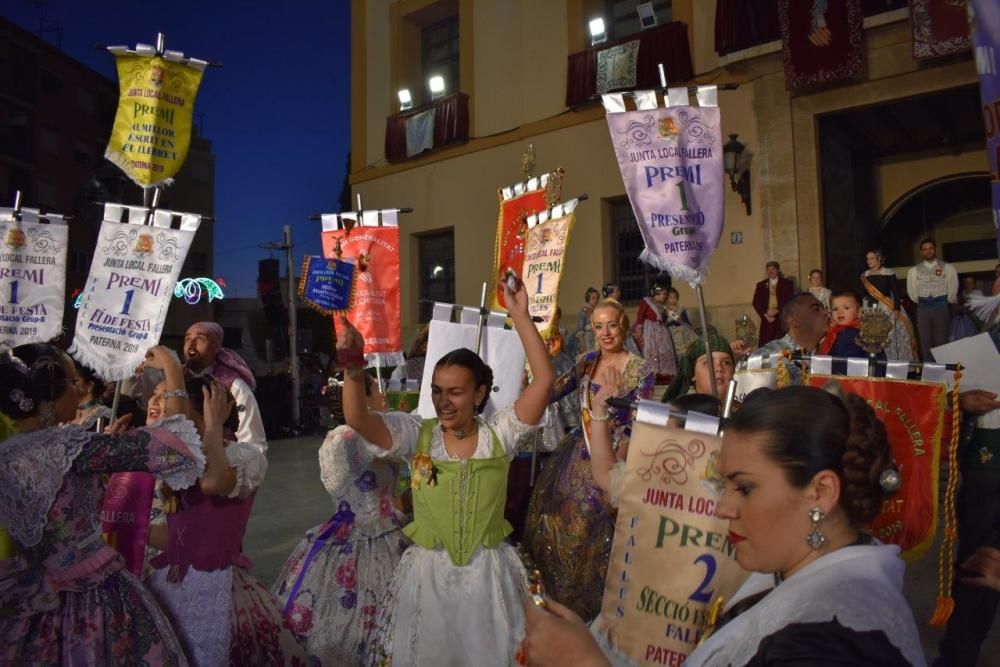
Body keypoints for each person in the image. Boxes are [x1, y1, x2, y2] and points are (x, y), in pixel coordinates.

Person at [521, 386, 926, 666]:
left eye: (743, 488)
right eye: (722, 485)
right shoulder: (788, 578)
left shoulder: (837, 642)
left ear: (820, 492)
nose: (724, 508)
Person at [337, 280, 553, 666]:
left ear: (480, 394)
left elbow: (545, 382)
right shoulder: (416, 435)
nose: (443, 401)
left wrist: (519, 314)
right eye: (437, 391)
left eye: (455, 392)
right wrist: (353, 368)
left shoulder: (500, 435)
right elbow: (357, 417)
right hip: (429, 576)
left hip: (487, 576)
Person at [0, 344, 206, 664]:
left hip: (23, 606)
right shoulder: (67, 446)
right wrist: (173, 370)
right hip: (87, 598)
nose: (78, 389)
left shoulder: (10, 452)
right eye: (72, 382)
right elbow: (175, 447)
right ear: (48, 395)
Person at [145, 376, 306, 666]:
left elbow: (212, 482)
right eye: (155, 395)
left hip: (218, 590)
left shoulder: (243, 455)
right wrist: (134, 531)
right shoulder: (175, 465)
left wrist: (214, 426)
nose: (155, 403)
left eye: (166, 396)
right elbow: (181, 536)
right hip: (172, 585)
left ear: (203, 409)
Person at [523, 298, 654, 621]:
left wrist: (619, 469)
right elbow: (552, 392)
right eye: (598, 326)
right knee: (560, 530)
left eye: (611, 324)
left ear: (623, 325)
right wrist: (535, 367)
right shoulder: (587, 361)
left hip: (615, 458)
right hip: (574, 459)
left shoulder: (640, 369)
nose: (605, 332)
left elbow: (640, 422)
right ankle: (560, 611)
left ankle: (598, 615)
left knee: (598, 538)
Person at [272, 374, 408, 665]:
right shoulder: (357, 439)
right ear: (360, 400)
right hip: (377, 535)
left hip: (345, 528)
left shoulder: (334, 436)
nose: (384, 398)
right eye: (376, 392)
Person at [935, 324, 1000, 666]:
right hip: (987, 468)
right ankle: (957, 656)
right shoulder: (984, 339)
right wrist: (958, 400)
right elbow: (934, 394)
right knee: (978, 564)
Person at [184, 321, 268, 453]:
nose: (191, 344)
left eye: (200, 338)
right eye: (188, 338)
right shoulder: (177, 379)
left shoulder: (233, 384)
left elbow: (252, 442)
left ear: (217, 346)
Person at [861, 249, 918, 362]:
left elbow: (896, 292)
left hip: (886, 308)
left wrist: (896, 309)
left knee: (889, 337)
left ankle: (893, 364)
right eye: (867, 259)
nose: (869, 261)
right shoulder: (865, 275)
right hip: (870, 309)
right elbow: (863, 294)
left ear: (879, 259)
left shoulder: (888, 272)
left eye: (872, 258)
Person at [906, 239, 958, 360]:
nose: (928, 251)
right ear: (921, 252)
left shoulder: (947, 267)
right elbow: (912, 291)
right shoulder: (914, 270)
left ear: (935, 249)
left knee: (942, 339)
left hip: (941, 306)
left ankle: (943, 370)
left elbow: (952, 286)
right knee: (925, 340)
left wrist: (947, 300)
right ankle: (929, 372)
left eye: (930, 248)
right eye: (925, 249)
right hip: (923, 308)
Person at [660, 330, 735, 403]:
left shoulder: (742, 412)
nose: (719, 368)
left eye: (726, 362)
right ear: (693, 373)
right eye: (708, 363)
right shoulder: (683, 413)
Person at [632, 276, 678, 382]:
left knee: (664, 350)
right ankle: (653, 373)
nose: (665, 297)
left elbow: (667, 318)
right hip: (650, 330)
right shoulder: (646, 302)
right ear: (656, 293)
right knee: (652, 351)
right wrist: (639, 330)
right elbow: (640, 316)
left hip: (661, 330)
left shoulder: (663, 306)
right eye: (664, 294)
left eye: (666, 294)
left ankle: (664, 373)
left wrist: (673, 315)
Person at [752, 261, 794, 346]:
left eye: (773, 269)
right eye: (768, 270)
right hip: (767, 319)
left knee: (783, 344)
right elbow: (756, 302)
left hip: (782, 318)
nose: (770, 272)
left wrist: (778, 310)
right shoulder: (761, 285)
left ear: (778, 270)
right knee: (766, 344)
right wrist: (765, 314)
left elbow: (790, 300)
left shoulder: (787, 283)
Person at [72, 363, 112, 430]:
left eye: (75, 381)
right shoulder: (67, 413)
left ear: (90, 386)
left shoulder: (103, 415)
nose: (70, 385)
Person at [664, 287, 698, 355]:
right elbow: (674, 319)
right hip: (671, 333)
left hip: (683, 331)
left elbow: (685, 320)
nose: (673, 300)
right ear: (667, 299)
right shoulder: (665, 309)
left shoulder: (681, 308)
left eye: (675, 297)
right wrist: (671, 313)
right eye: (670, 297)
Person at [570, 287, 601, 358]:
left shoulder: (596, 311)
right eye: (593, 298)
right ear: (588, 299)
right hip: (588, 339)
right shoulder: (583, 312)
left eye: (597, 298)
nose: (596, 300)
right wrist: (582, 344)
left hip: (595, 338)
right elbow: (580, 329)